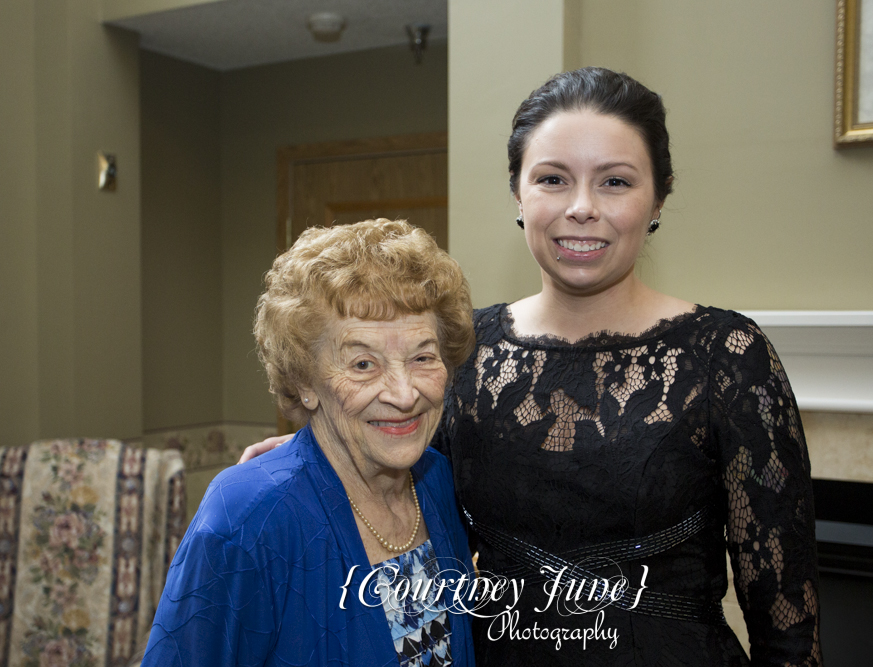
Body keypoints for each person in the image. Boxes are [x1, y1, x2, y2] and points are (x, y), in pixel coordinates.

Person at [243, 68, 822, 666]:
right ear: (519, 194)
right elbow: (404, 499)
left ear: (658, 198)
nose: (581, 208)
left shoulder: (725, 355)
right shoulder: (462, 346)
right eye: (552, 179)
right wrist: (308, 464)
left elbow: (789, 633)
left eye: (615, 182)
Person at [145, 220, 477, 667]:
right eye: (363, 364)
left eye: (422, 357)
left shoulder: (436, 481)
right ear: (305, 382)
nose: (403, 394)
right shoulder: (246, 516)